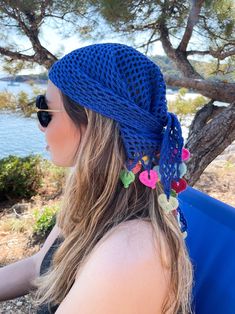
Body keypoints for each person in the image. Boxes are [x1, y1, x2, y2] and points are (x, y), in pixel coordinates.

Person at [0, 43, 193, 313]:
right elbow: (38, 265)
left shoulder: (128, 253)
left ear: (92, 125)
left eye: (46, 111)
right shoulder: (96, 202)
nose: (39, 123)